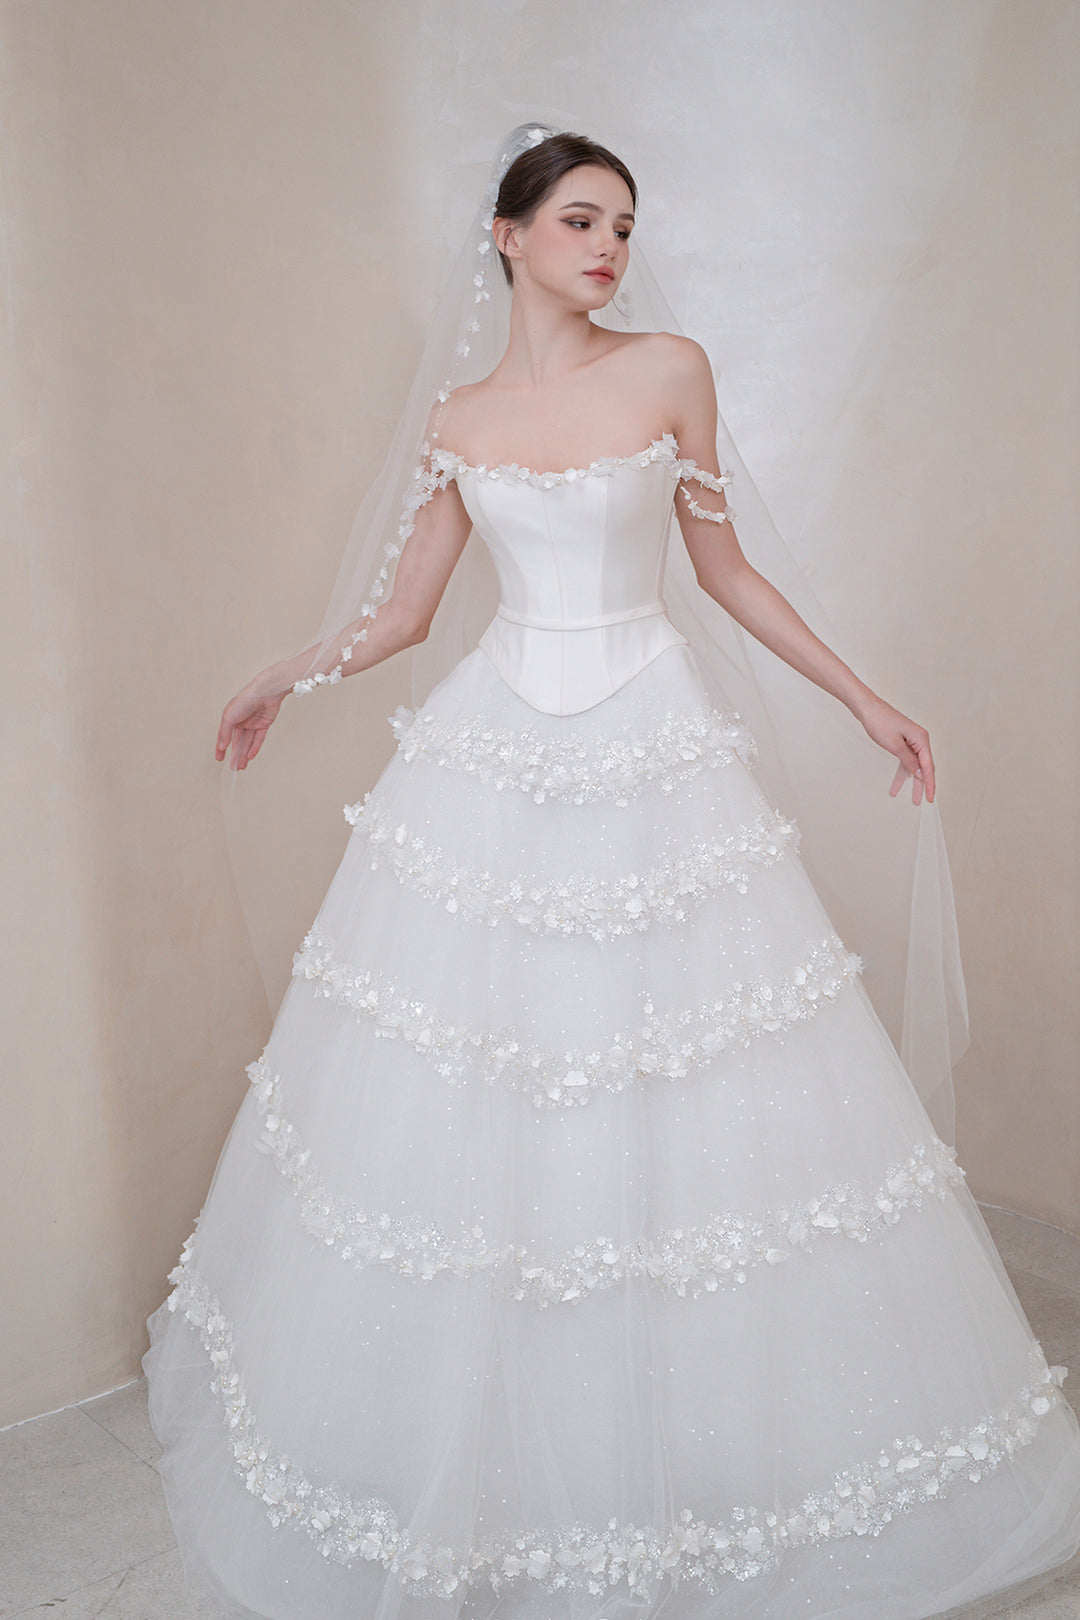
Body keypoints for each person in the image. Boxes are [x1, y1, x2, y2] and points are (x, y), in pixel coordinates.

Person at [145, 125, 1080, 1620]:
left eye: (624, 227)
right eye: (580, 220)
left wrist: (864, 697)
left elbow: (726, 571)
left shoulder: (669, 371)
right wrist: (281, 675)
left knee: (692, 1069)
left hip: (652, 742)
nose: (610, 249)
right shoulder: (458, 416)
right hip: (496, 753)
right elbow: (404, 614)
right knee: (486, 1072)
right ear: (508, 235)